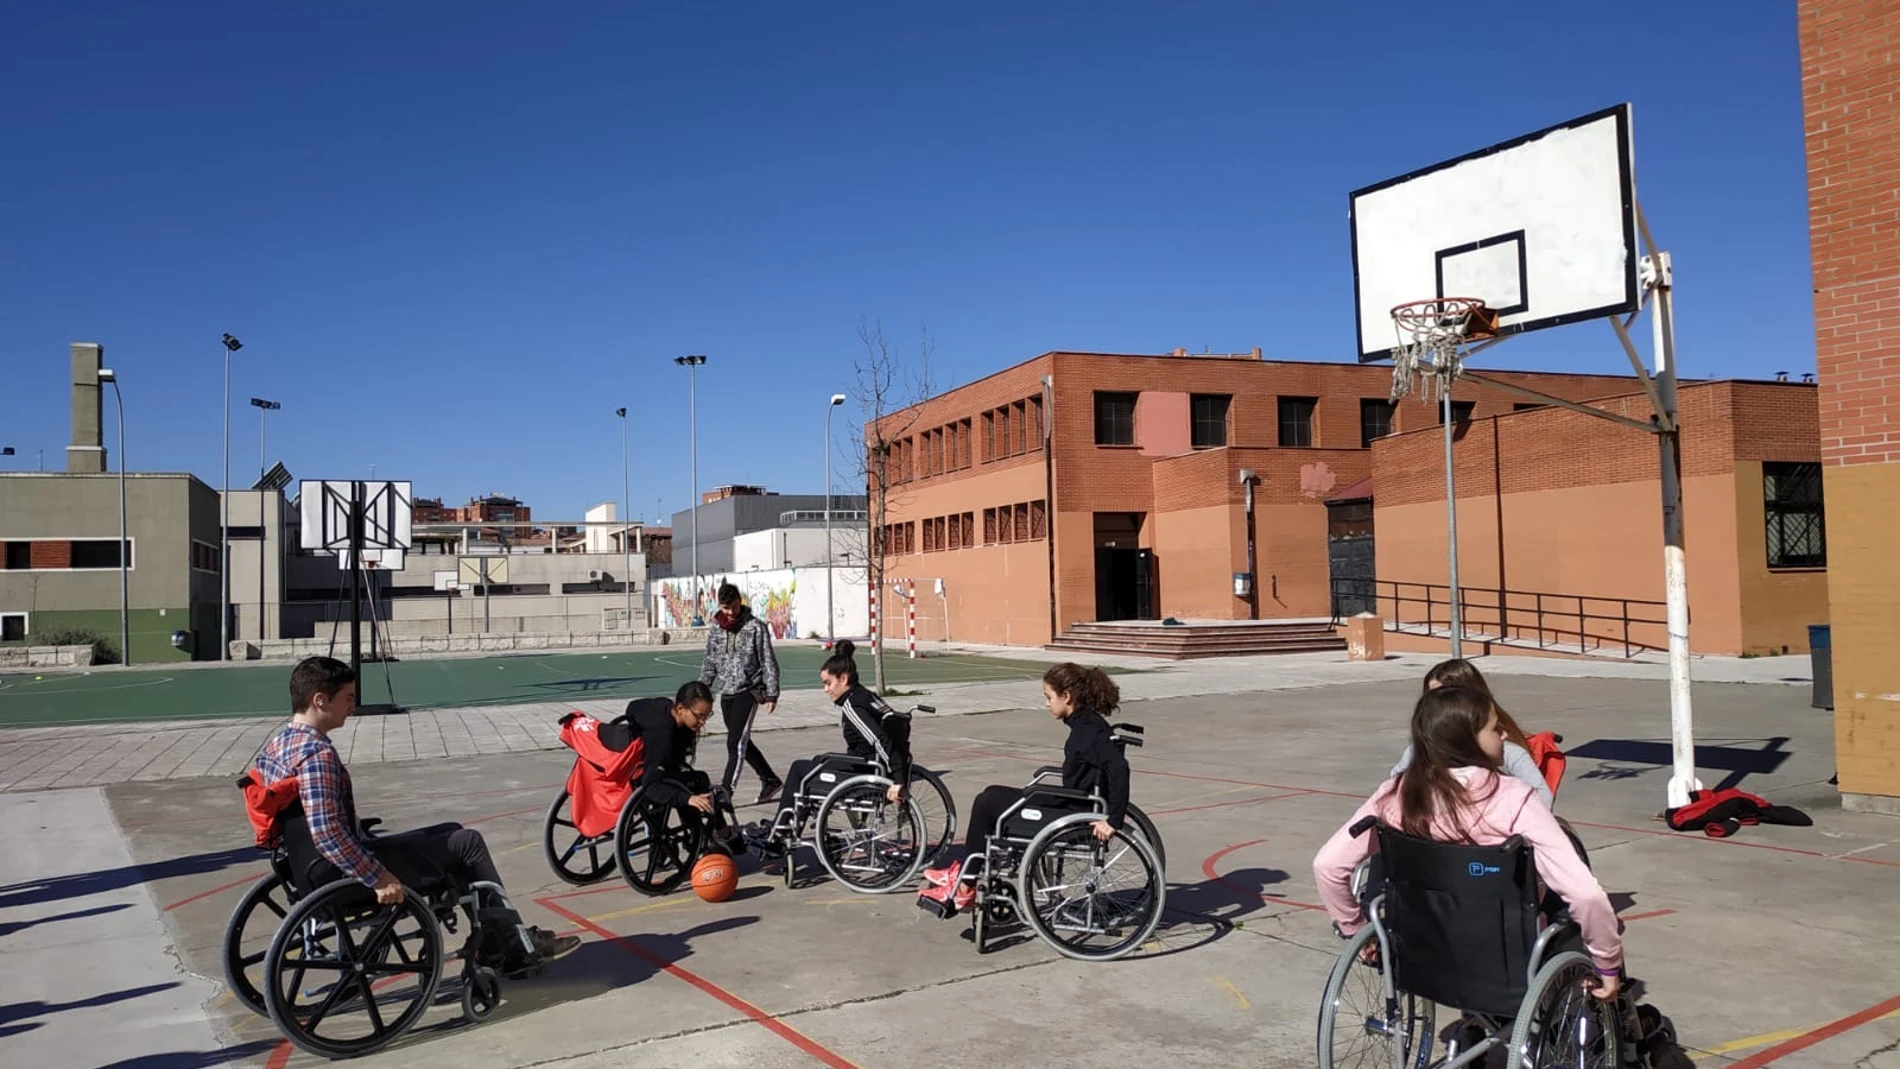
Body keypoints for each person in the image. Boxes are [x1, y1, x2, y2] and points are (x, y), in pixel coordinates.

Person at [251, 656, 579, 974]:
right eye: (348, 698)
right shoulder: (317, 756)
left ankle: (498, 938)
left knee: (451, 830)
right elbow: (326, 833)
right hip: (341, 872)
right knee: (468, 843)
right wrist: (378, 879)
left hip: (307, 868)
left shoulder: (277, 746)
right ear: (320, 700)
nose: (352, 706)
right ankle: (511, 945)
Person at [1313, 684, 1623, 1002]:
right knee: (1574, 884)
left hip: (1420, 950)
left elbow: (1327, 865)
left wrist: (1354, 930)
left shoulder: (1396, 794)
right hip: (1504, 953)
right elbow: (1585, 894)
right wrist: (1608, 964)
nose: (1504, 735)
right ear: (1466, 738)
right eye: (1495, 728)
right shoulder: (1513, 798)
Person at [918, 662, 1131, 917]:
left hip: (1072, 816)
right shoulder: (1085, 724)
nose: (1046, 704)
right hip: (1073, 804)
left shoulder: (1088, 732)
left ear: (1067, 696)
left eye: (1048, 697)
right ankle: (966, 873)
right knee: (990, 793)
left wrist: (1113, 820)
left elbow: (1119, 768)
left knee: (987, 804)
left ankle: (966, 884)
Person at [748, 640, 911, 854]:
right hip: (871, 766)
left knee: (799, 769)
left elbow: (880, 740)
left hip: (866, 775)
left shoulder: (853, 705)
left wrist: (897, 781)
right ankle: (787, 826)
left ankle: (781, 830)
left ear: (843, 679)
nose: (825, 689)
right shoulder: (866, 696)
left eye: (828, 683)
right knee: (817, 762)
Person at [1391, 658, 1554, 809]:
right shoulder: (1418, 750)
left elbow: (1542, 799)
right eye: (1431, 699)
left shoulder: (1508, 752)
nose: (1437, 707)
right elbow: (1394, 787)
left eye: (1446, 697)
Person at [622, 680, 743, 848]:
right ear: (680, 709)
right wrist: (688, 798)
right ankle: (714, 834)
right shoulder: (663, 734)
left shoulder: (663, 706)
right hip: (648, 779)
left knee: (693, 778)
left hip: (642, 766)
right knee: (698, 782)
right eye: (699, 716)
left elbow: (633, 706)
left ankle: (709, 832)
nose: (703, 722)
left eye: (706, 716)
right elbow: (651, 785)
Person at [699, 582, 784, 804]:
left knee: (734, 742)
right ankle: (770, 779)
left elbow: (768, 660)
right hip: (727, 691)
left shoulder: (755, 627)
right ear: (720, 606)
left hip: (749, 690)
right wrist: (702, 688)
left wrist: (772, 693)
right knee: (741, 740)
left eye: (735, 607)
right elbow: (710, 660)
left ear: (740, 601)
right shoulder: (716, 629)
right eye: (726, 608)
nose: (731, 612)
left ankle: (727, 791)